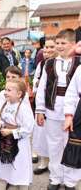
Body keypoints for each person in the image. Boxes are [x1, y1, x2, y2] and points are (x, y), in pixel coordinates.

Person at [35, 29, 81, 190]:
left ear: (73, 44)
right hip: (52, 110)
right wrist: (40, 110)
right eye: (57, 44)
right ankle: (55, 178)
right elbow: (42, 88)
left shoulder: (79, 63)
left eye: (63, 43)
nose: (60, 46)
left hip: (74, 112)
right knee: (54, 145)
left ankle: (70, 181)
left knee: (72, 146)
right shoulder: (49, 63)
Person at [0, 79, 34, 190]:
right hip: (6, 142)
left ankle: (22, 186)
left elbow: (28, 128)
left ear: (19, 94)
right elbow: (4, 119)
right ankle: (4, 181)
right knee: (5, 166)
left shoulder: (24, 108)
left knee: (19, 167)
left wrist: (12, 132)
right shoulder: (6, 105)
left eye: (9, 90)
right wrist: (0, 124)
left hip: (19, 144)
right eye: (5, 89)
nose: (5, 92)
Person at [31, 38, 57, 175]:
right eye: (46, 47)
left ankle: (57, 165)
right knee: (42, 133)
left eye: (51, 47)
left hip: (57, 106)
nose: (48, 50)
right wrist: (37, 85)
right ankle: (44, 162)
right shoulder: (41, 64)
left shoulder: (65, 63)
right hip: (43, 104)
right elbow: (35, 79)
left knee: (57, 137)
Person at [0, 37, 19, 108]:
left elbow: (16, 64)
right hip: (4, 82)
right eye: (4, 44)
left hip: (14, 81)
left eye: (7, 43)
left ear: (10, 44)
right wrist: (1, 84)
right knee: (4, 103)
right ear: (1, 45)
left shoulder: (13, 53)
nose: (6, 45)